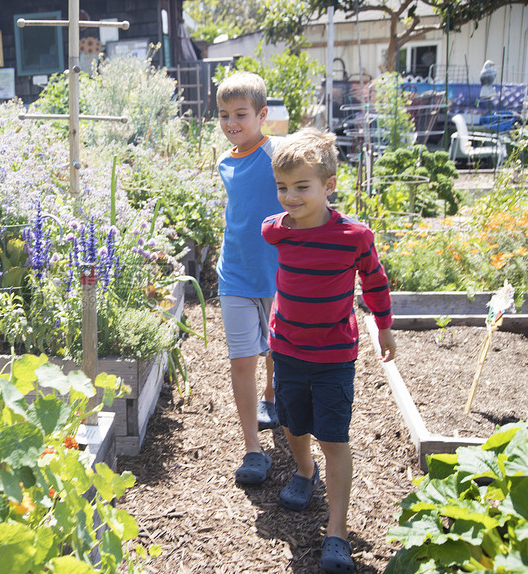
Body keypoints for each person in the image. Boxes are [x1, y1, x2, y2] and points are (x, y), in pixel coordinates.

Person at [261, 128, 396, 574]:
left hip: (335, 356)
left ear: (329, 185)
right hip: (288, 350)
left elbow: (374, 282)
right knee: (292, 424)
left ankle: (336, 532)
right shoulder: (276, 232)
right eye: (283, 187)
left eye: (302, 186)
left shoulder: (353, 236)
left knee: (333, 438)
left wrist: (384, 326)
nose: (291, 197)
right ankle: (304, 472)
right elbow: (268, 229)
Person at [214, 71, 284, 487]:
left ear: (262, 114)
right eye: (224, 115)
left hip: (278, 274)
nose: (231, 123)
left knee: (278, 349)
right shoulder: (224, 161)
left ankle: (272, 398)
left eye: (241, 114)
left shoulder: (277, 154)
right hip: (235, 274)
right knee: (241, 361)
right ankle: (253, 449)